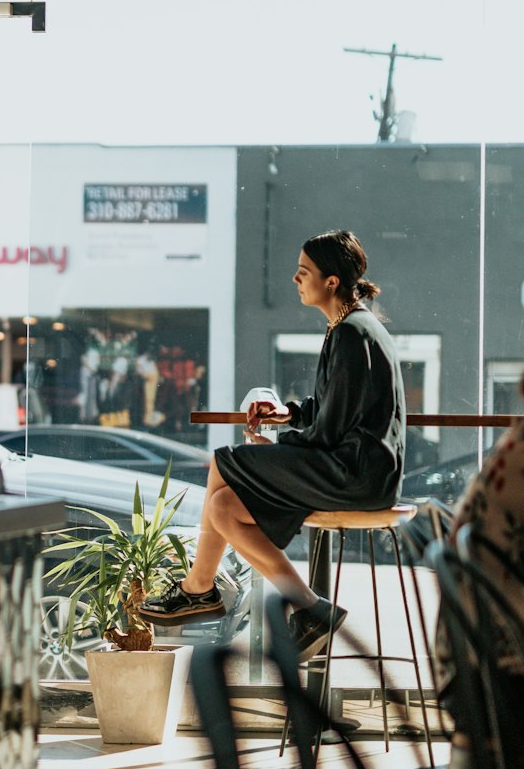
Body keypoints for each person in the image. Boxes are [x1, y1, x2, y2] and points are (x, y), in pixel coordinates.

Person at [143, 230, 406, 660]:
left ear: (332, 282)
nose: (295, 279)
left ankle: (199, 589)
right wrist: (290, 414)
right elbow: (332, 407)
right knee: (223, 507)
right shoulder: (348, 326)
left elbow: (332, 432)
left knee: (224, 461)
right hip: (354, 468)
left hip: (355, 474)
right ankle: (308, 606)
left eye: (304, 272)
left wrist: (279, 448)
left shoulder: (352, 333)